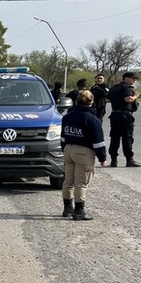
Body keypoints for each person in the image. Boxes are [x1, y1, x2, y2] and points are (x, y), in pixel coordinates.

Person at [60, 90, 107, 221]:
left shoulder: (67, 117)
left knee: (68, 180)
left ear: (76, 101)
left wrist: (65, 149)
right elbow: (98, 141)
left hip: (68, 149)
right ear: (91, 102)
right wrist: (102, 158)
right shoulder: (92, 119)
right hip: (83, 152)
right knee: (81, 183)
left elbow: (63, 137)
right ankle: (79, 211)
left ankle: (67, 208)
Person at [106, 71, 141, 167]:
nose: (134, 80)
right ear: (126, 78)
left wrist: (117, 100)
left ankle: (113, 161)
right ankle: (129, 160)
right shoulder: (126, 88)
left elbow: (107, 99)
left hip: (115, 115)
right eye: (133, 78)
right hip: (125, 116)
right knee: (127, 138)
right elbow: (128, 99)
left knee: (115, 138)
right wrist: (136, 96)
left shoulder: (114, 88)